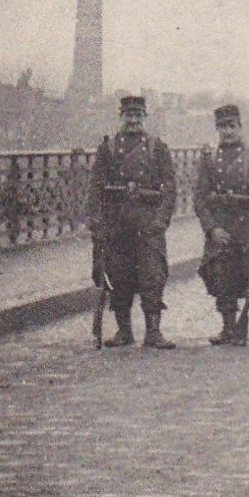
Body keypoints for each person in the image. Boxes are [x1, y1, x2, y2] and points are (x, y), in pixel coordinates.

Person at [89, 95, 178, 349]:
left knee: (152, 275)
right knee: (119, 275)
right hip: (117, 222)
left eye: (138, 116)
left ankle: (153, 331)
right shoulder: (107, 148)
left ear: (144, 118)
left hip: (148, 223)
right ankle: (124, 331)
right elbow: (95, 185)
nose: (133, 120)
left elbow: (170, 186)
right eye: (129, 115)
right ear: (121, 117)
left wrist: (162, 219)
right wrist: (95, 219)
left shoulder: (157, 147)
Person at [193, 104, 249, 348]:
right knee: (223, 274)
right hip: (223, 226)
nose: (228, 132)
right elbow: (200, 199)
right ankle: (228, 328)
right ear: (217, 129)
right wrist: (212, 228)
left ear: (240, 127)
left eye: (232, 126)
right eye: (222, 127)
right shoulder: (209, 159)